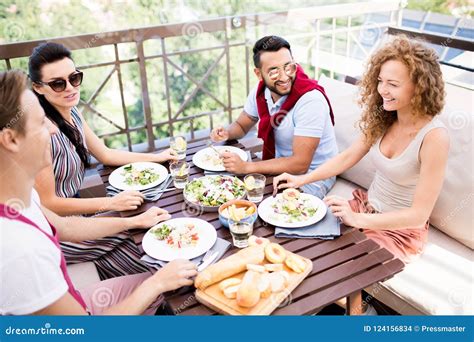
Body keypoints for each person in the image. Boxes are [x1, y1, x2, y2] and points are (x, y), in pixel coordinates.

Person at [0, 70, 197, 315]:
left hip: (77, 303)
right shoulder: (20, 250)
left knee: (174, 279)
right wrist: (156, 284)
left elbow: (67, 228)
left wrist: (135, 220)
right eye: (41, 122)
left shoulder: (19, 196)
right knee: (173, 289)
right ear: (10, 139)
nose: (52, 130)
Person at [273, 36, 449, 266]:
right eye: (380, 81)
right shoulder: (386, 116)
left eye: (393, 84)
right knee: (299, 232)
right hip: (365, 208)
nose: (383, 90)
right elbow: (347, 157)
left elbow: (419, 215)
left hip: (398, 231)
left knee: (339, 264)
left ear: (420, 87)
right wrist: (302, 179)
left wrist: (356, 219)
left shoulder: (434, 137)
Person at [27, 42, 178, 279]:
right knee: (136, 233)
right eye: (58, 83)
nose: (69, 88)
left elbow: (106, 154)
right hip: (55, 230)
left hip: (78, 216)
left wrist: (156, 158)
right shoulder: (42, 133)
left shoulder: (72, 112)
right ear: (38, 88)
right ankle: (166, 288)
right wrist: (110, 204)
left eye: (74, 78)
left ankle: (159, 289)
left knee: (136, 238)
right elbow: (50, 203)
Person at [210, 35, 338, 199]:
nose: (284, 77)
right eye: (274, 71)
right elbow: (242, 126)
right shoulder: (260, 92)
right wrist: (227, 133)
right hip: (280, 166)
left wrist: (247, 167)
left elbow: (300, 164)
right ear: (259, 74)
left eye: (288, 67)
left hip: (313, 176)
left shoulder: (310, 101)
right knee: (224, 192)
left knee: (276, 210)